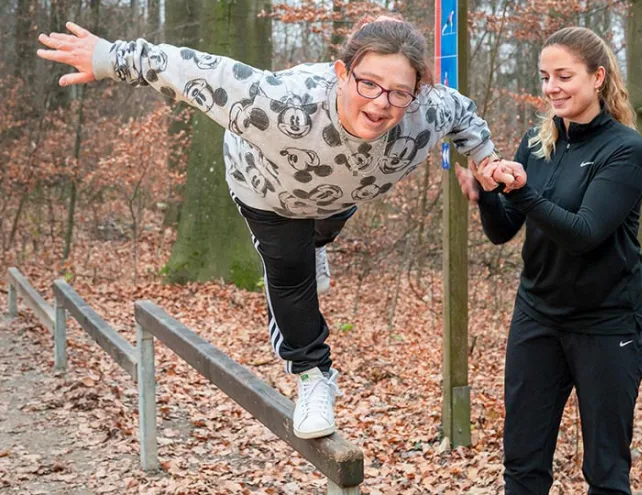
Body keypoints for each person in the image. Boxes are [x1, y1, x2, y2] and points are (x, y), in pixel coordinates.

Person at [38, 16, 504, 439]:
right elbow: (197, 69)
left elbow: (464, 115)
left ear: (416, 94)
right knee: (289, 271)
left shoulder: (425, 114)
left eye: (398, 93)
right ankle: (312, 376)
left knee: (318, 235)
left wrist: (485, 158)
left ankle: (316, 243)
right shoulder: (280, 103)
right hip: (266, 189)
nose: (381, 103)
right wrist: (107, 57)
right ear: (342, 74)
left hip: (343, 194)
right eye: (368, 84)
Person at [456, 26, 642, 494]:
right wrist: (487, 195)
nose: (551, 88)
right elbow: (504, 231)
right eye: (545, 77)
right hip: (537, 316)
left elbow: (584, 233)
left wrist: (521, 192)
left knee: (605, 471)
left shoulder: (625, 150)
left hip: (607, 324)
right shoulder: (538, 141)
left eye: (563, 76)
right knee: (522, 463)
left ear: (598, 76)